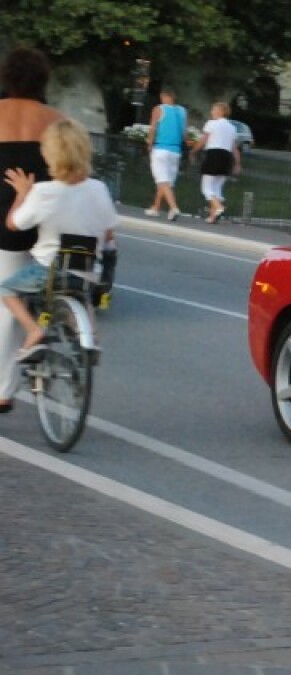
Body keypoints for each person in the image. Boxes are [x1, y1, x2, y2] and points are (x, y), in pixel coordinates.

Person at [0, 118, 118, 361]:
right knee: (80, 291)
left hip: (48, 270)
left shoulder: (44, 191)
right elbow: (108, 231)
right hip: (87, 270)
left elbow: (14, 224)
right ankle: (90, 337)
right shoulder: (98, 188)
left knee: (6, 290)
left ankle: (34, 331)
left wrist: (22, 194)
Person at [0, 46, 63, 414]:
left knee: (7, 306)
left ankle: (4, 390)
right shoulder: (56, 120)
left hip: (6, 218)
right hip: (48, 220)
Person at [188, 101, 239, 223]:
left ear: (221, 111)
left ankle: (218, 207)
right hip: (226, 157)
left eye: (214, 109)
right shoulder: (232, 128)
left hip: (213, 155)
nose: (212, 112)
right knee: (217, 188)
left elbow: (203, 140)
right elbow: (234, 148)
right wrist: (237, 163)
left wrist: (194, 151)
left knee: (206, 188)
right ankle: (213, 216)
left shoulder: (211, 124)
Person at [145, 87, 186, 220]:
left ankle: (173, 207)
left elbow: (153, 128)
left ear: (165, 97)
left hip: (161, 148)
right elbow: (184, 132)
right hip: (176, 150)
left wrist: (150, 143)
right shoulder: (182, 111)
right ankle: (156, 207)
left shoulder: (159, 109)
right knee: (167, 182)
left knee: (162, 180)